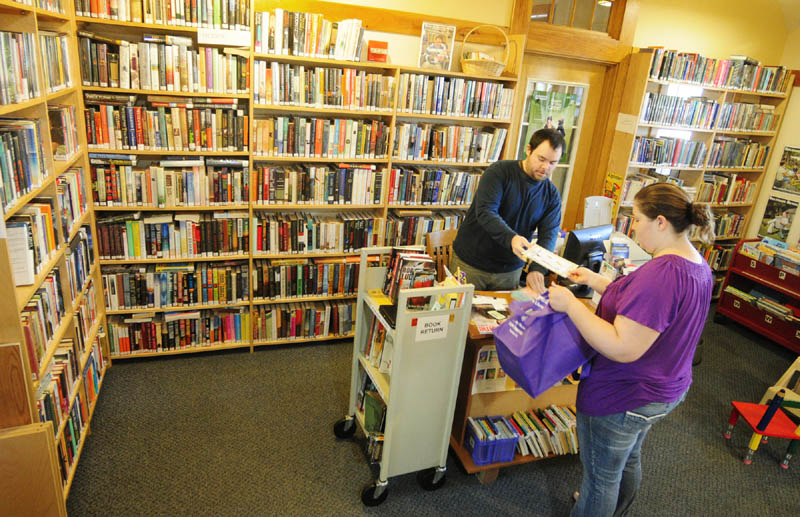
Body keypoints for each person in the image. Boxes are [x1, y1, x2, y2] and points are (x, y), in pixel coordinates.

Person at [547, 182, 714, 517]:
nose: (633, 227)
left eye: (637, 219)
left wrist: (569, 304)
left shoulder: (662, 274)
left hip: (624, 395)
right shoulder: (696, 263)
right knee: (627, 459)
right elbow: (649, 311)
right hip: (663, 390)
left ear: (661, 222)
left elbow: (622, 346)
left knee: (600, 479)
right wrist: (597, 283)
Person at [450, 128, 565, 293]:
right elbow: (486, 211)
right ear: (528, 150)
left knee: (502, 317)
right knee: (459, 314)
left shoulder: (552, 195)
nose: (545, 167)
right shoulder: (499, 172)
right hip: (471, 263)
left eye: (552, 163)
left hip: (510, 270)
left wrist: (537, 268)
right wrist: (511, 238)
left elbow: (549, 235)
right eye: (541, 159)